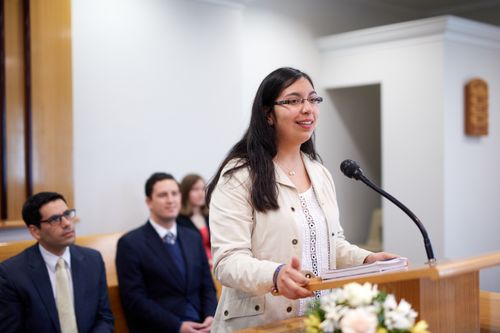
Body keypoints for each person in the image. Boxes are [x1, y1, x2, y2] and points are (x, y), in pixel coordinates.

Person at [206, 67, 397, 332]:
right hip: (261, 323)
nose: (307, 109)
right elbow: (227, 262)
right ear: (267, 114)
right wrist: (275, 275)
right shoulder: (240, 175)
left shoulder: (319, 172)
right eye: (294, 100)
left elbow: (332, 244)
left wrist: (367, 260)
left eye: (313, 99)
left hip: (317, 320)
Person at [116, 172, 217, 333]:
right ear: (149, 201)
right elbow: (134, 299)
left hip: (203, 325)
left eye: (174, 194)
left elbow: (207, 286)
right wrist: (178, 326)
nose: (170, 200)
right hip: (162, 327)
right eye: (163, 195)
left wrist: (211, 316)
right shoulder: (130, 244)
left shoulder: (193, 237)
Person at [0, 192, 114, 333]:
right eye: (55, 219)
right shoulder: (11, 274)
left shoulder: (93, 260)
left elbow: (104, 317)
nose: (66, 223)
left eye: (67, 214)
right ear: (35, 231)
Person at [178, 174, 212, 265]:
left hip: (215, 264)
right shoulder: (178, 220)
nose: (201, 193)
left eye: (203, 189)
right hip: (196, 265)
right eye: (195, 189)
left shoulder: (209, 216)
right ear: (185, 192)